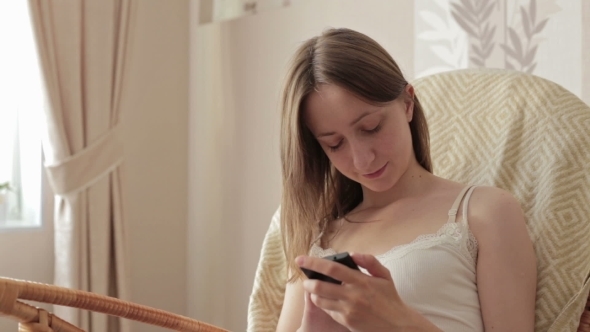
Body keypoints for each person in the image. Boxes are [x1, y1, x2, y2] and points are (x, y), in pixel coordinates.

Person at [275, 28, 537, 332]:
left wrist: (398, 322)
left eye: (371, 127)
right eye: (335, 144)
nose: (362, 160)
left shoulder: (483, 212)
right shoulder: (319, 238)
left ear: (407, 103)